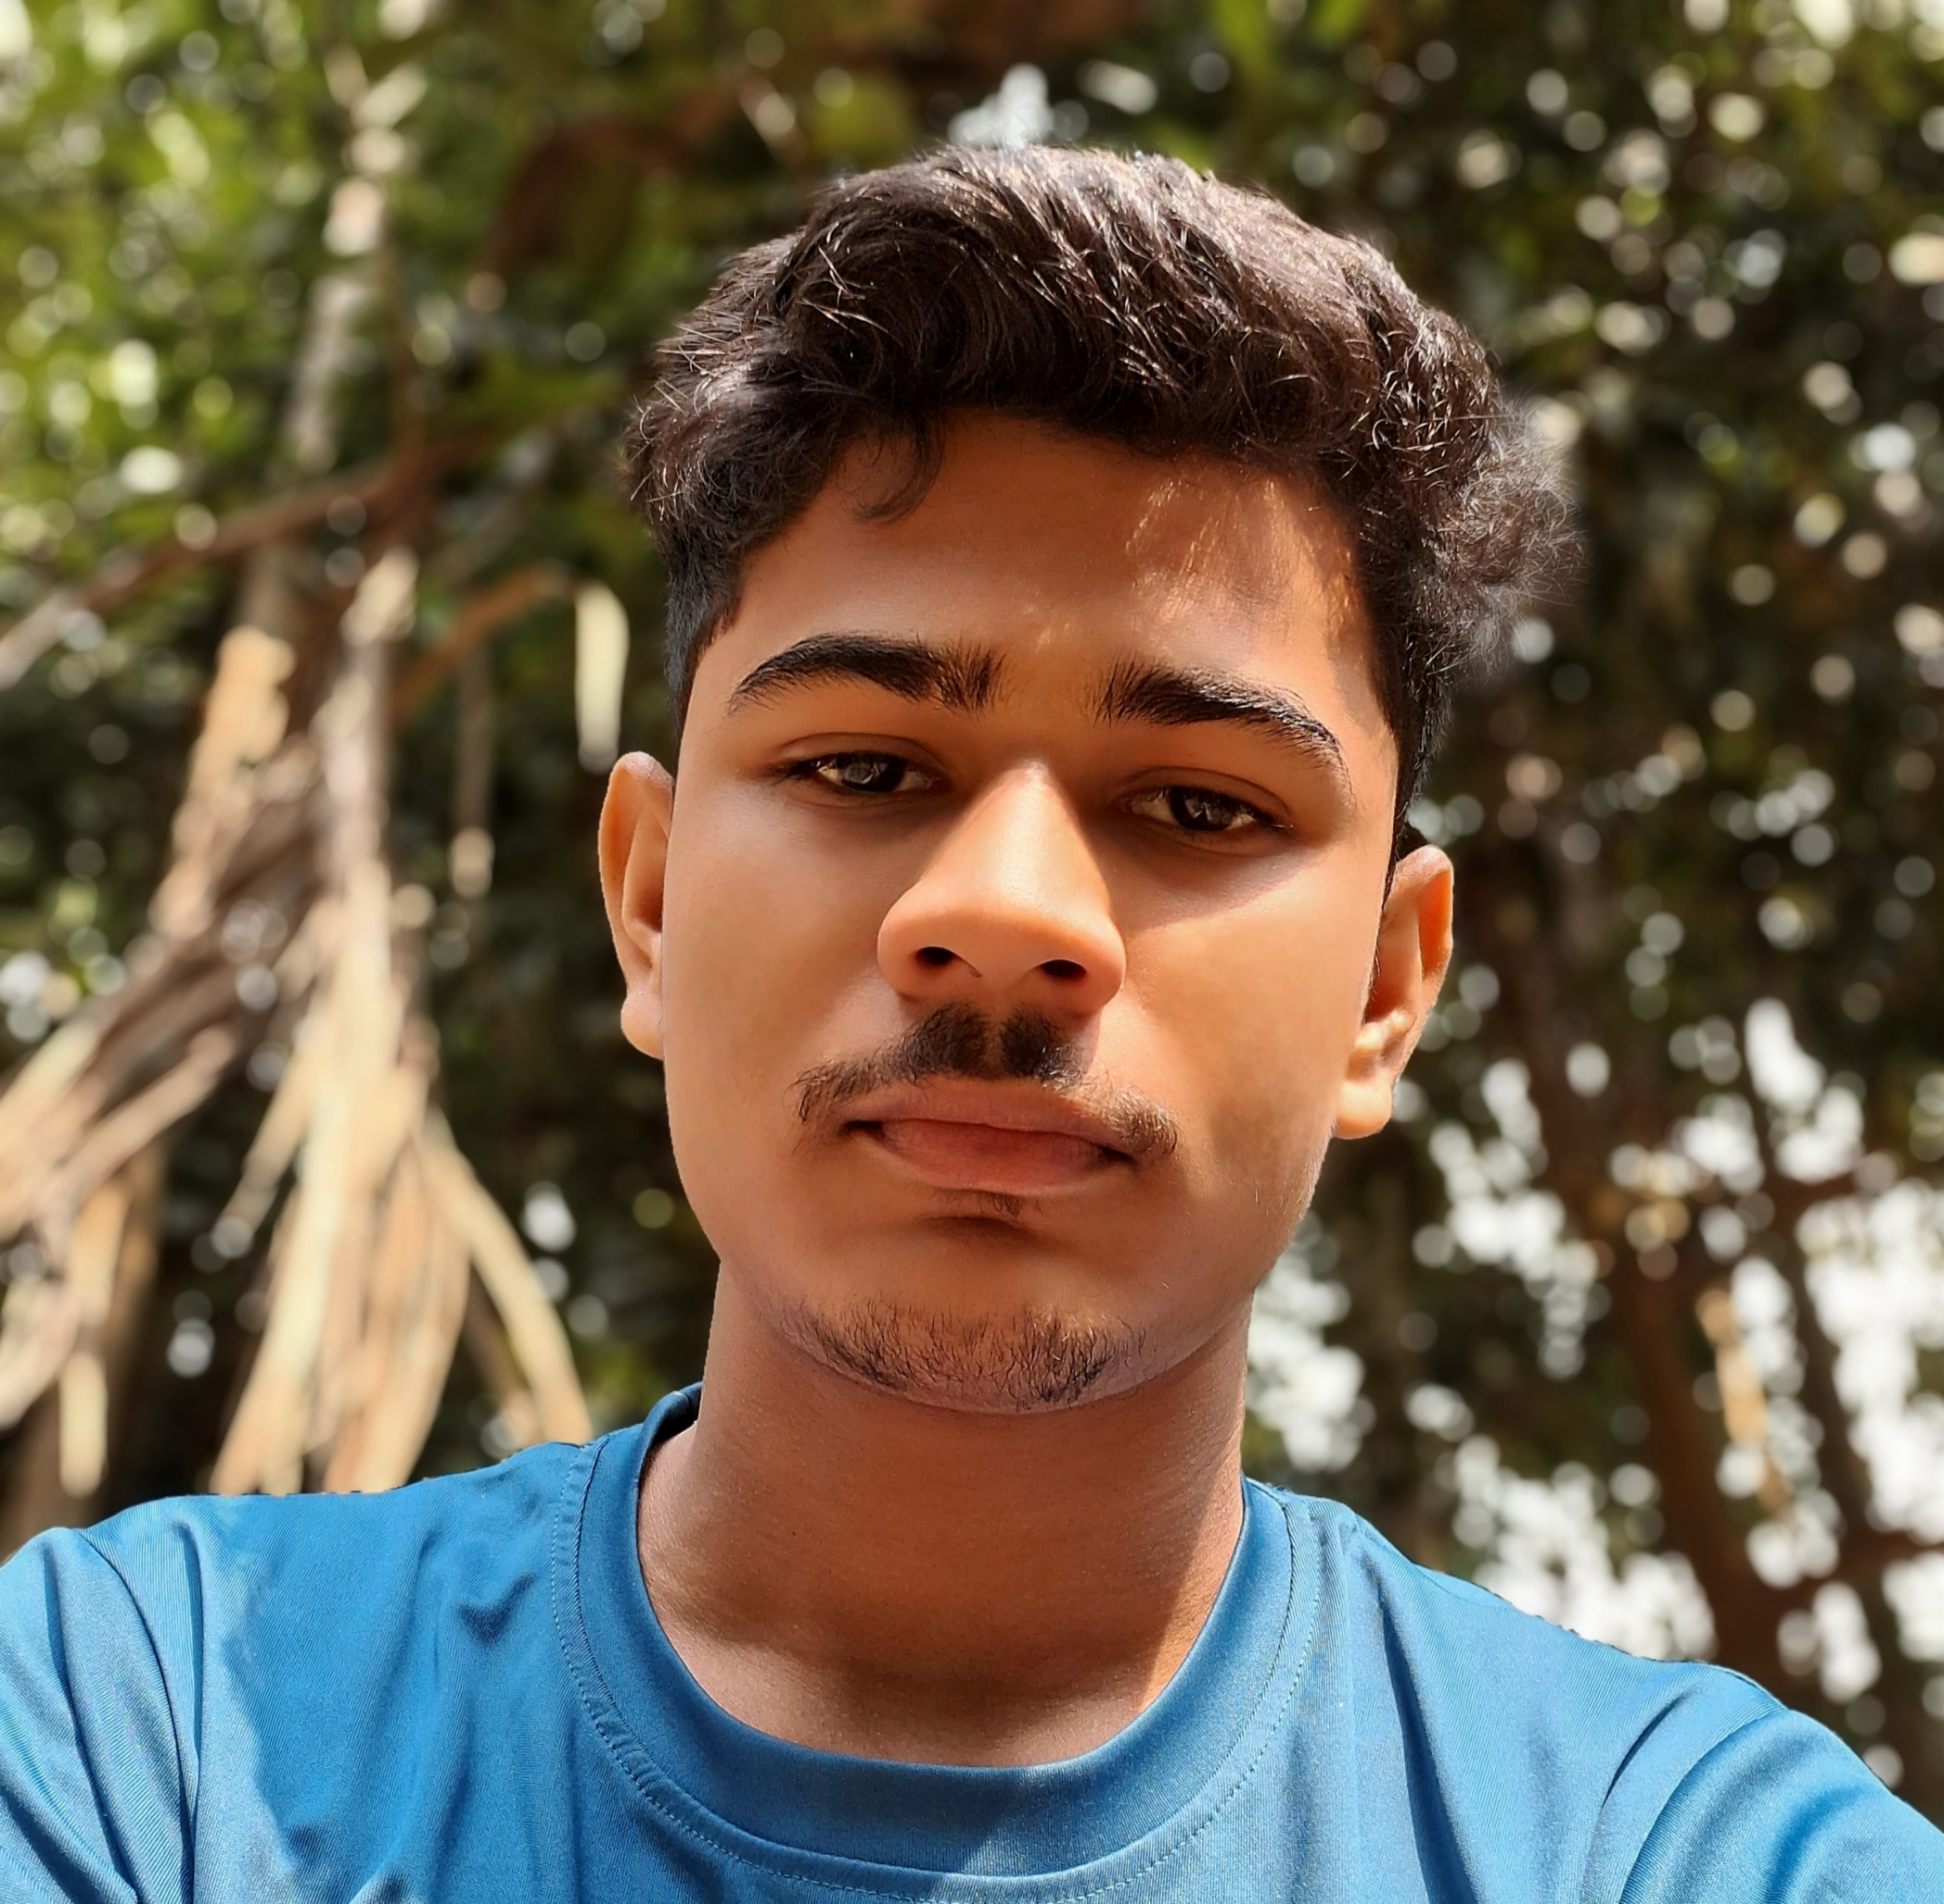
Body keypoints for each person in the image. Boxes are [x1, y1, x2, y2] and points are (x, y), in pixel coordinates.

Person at [2, 145, 1939, 1903]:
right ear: (652, 901)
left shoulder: (1680, 1851)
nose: (1005, 920)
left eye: (1201, 806)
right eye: (864, 767)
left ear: (1384, 988)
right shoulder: (144, 1732)